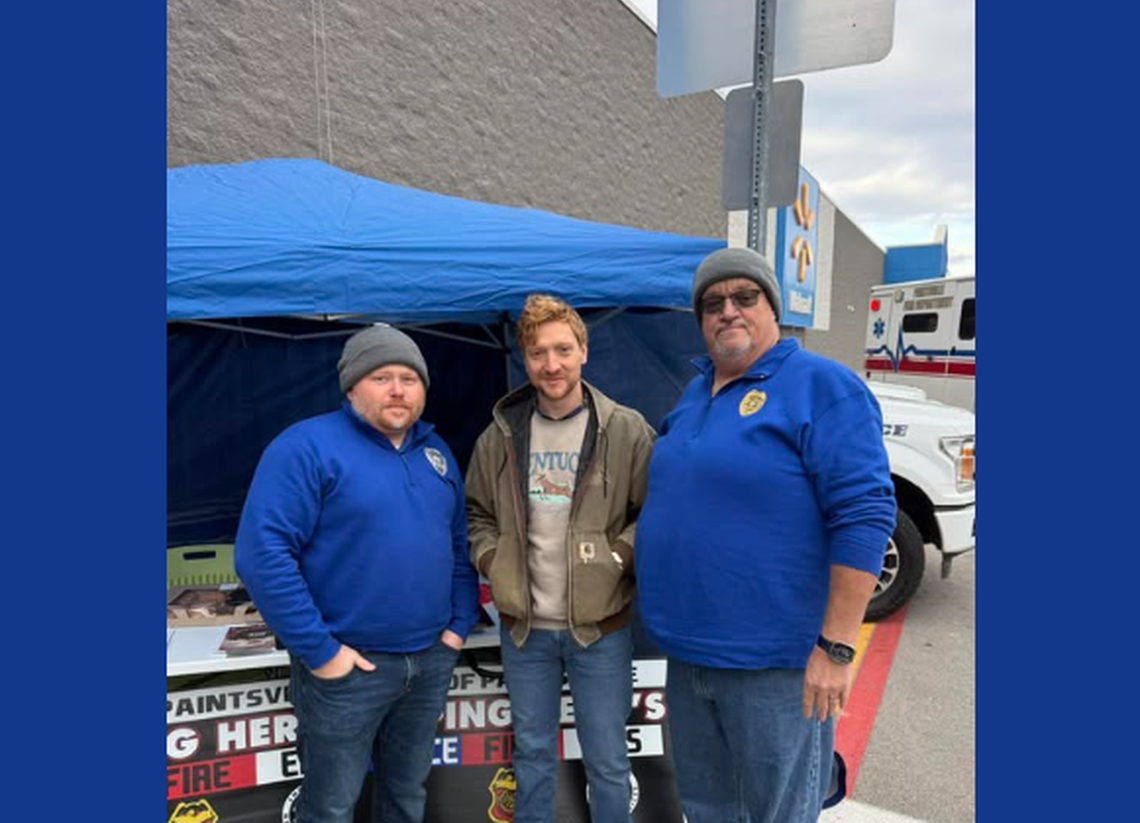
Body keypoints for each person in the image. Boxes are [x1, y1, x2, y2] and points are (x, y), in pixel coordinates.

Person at [635, 247, 897, 823]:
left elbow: (864, 515)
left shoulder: (821, 386)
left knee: (777, 814)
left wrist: (836, 647)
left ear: (772, 308)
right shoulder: (691, 396)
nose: (727, 311)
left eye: (744, 297)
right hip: (689, 656)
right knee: (707, 811)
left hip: (775, 667)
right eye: (712, 303)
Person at [235, 324, 479, 823]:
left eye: (409, 379)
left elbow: (457, 544)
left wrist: (458, 625)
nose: (397, 390)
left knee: (406, 795)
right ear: (351, 387)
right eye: (381, 377)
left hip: (428, 660)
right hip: (348, 670)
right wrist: (322, 652)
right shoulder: (306, 447)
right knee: (329, 806)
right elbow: (263, 554)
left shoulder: (436, 454)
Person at [465, 294, 655, 823]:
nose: (552, 364)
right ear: (524, 360)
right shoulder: (500, 435)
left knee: (608, 761)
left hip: (601, 631)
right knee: (531, 757)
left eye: (562, 350)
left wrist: (618, 555)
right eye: (539, 353)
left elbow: (657, 512)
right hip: (525, 632)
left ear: (584, 351)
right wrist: (491, 560)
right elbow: (475, 512)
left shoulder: (625, 429)